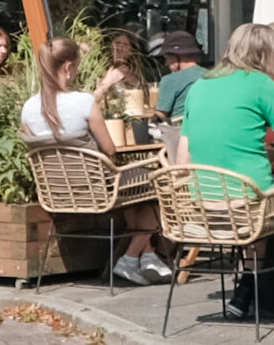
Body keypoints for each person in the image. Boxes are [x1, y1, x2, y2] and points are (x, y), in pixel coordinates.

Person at [178, 22, 274, 320]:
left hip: (201, 206)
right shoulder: (260, 83)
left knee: (260, 195)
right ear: (268, 55)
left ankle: (245, 290)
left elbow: (182, 158)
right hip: (249, 203)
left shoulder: (200, 86)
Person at [18, 37, 171, 286]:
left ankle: (149, 257)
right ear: (68, 67)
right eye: (76, 67)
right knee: (154, 182)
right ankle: (131, 258)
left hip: (56, 190)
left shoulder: (28, 107)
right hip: (96, 188)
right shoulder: (83, 102)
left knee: (136, 200)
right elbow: (110, 150)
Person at [152, 29, 208, 121]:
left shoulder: (170, 80)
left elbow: (160, 115)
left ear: (176, 55)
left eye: (166, 58)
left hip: (178, 130)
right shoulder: (210, 76)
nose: (166, 63)